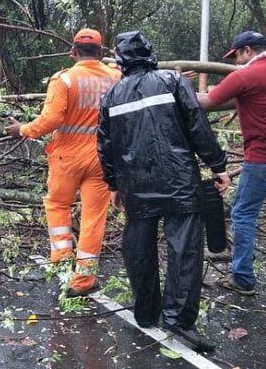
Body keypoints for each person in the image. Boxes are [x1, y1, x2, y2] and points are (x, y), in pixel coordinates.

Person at [98, 31, 229, 352]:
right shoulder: (172, 81)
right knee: (184, 251)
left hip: (137, 186)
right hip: (179, 181)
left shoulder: (112, 97)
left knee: (138, 248)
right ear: (149, 54)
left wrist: (114, 185)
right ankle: (178, 318)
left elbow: (105, 145)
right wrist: (218, 164)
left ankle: (145, 312)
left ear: (121, 61)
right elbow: (197, 125)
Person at [7, 28, 121, 297]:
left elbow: (51, 120)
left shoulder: (65, 79)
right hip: (102, 157)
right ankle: (83, 281)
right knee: (94, 217)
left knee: (57, 205)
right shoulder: (117, 78)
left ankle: (62, 260)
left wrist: (23, 129)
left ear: (73, 52)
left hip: (67, 157)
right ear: (102, 53)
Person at [198, 30, 266, 295]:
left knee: (243, 213)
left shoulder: (245, 75)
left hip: (264, 155)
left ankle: (243, 278)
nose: (235, 61)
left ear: (247, 50)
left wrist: (177, 86)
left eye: (236, 56)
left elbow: (207, 102)